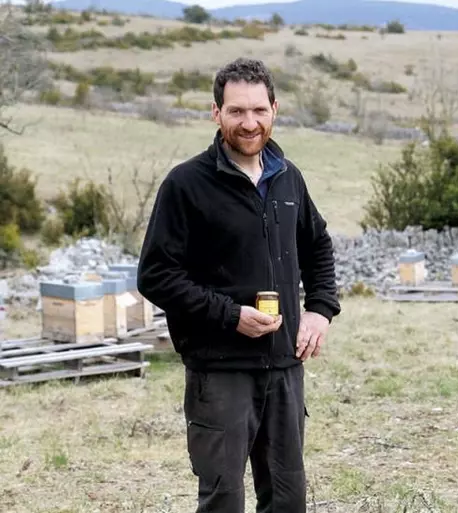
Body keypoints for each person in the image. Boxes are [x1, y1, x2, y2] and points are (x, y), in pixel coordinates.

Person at [136, 57, 341, 513]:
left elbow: (318, 247)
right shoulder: (186, 185)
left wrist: (320, 310)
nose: (249, 123)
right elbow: (155, 274)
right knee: (223, 500)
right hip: (220, 371)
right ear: (216, 114)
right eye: (236, 112)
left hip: (285, 369)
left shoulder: (288, 177)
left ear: (274, 109)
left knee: (287, 500)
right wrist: (230, 316)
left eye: (258, 110)